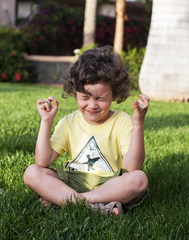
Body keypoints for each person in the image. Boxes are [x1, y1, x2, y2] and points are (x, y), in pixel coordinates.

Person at [23, 46, 149, 216]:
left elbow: (133, 166)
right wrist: (46, 121)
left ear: (114, 95)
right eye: (85, 97)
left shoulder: (121, 120)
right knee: (32, 172)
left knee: (139, 179)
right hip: (73, 180)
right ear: (75, 93)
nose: (92, 105)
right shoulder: (69, 121)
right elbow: (42, 161)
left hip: (110, 185)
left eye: (100, 98)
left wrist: (138, 122)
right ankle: (96, 207)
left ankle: (67, 201)